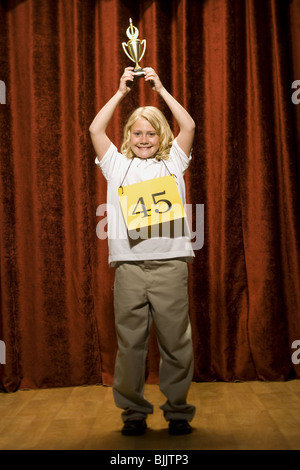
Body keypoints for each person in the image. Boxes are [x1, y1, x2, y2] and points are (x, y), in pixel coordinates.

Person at [89, 67, 196, 436]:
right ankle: (133, 413)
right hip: (129, 270)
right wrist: (120, 92)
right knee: (130, 345)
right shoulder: (117, 166)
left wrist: (161, 89)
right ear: (128, 136)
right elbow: (94, 130)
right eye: (138, 132)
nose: (145, 138)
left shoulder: (173, 162)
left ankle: (178, 411)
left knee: (176, 343)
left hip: (170, 266)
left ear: (161, 135)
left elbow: (190, 126)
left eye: (152, 132)